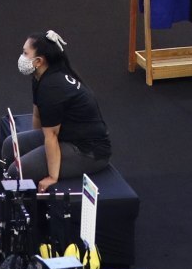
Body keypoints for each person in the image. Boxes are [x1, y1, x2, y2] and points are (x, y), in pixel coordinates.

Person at [8, 30, 114, 189]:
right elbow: (38, 115)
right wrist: (38, 147)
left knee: (16, 172)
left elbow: (51, 136)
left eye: (25, 53)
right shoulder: (39, 76)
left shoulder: (52, 87)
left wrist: (52, 176)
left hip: (88, 152)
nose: (22, 57)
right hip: (65, 135)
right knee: (9, 145)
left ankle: (23, 201)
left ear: (38, 61)